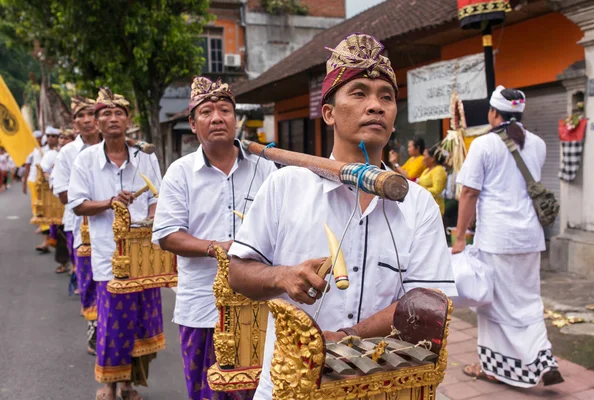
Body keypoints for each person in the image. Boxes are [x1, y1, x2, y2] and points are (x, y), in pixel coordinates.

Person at [227, 33, 457, 400]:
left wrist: (352, 336)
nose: (376, 106)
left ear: (395, 118)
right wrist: (283, 276)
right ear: (329, 112)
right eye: (359, 92)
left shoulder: (418, 204)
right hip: (291, 385)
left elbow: (429, 299)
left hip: (380, 385)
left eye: (386, 96)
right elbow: (237, 273)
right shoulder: (284, 186)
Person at [152, 76, 277, 400]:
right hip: (202, 304)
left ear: (236, 119)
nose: (218, 117)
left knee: (262, 387)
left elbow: (283, 226)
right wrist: (217, 247)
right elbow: (167, 235)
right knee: (205, 389)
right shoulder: (180, 172)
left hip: (260, 302)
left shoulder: (266, 168)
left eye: (225, 110)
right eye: (207, 112)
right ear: (193, 124)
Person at [451, 85, 563, 387]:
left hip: (498, 238)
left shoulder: (485, 144)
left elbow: (469, 192)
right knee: (527, 300)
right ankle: (542, 358)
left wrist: (459, 237)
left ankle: (496, 368)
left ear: (493, 112)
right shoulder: (537, 144)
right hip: (530, 237)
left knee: (495, 305)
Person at [68, 88, 164, 400]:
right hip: (109, 256)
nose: (113, 118)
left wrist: (150, 219)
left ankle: (128, 383)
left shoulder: (144, 157)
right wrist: (110, 203)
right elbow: (78, 205)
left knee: (138, 322)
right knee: (112, 323)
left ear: (128, 120)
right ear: (97, 122)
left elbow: (156, 198)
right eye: (105, 114)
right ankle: (108, 384)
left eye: (118, 112)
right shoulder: (86, 160)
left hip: (143, 254)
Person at [53, 96, 102, 355]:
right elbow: (63, 194)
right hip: (79, 225)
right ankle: (94, 327)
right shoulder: (68, 153)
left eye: (91, 114)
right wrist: (94, 197)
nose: (87, 120)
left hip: (114, 225)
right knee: (89, 278)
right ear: (74, 123)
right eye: (80, 116)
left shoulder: (115, 148)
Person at [40, 126, 71, 273]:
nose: (62, 140)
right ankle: (64, 263)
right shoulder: (54, 155)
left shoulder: (81, 155)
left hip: (80, 202)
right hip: (60, 201)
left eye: (67, 138)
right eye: (61, 137)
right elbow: (46, 175)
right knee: (61, 232)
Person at [23, 130, 51, 252]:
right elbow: (27, 167)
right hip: (34, 181)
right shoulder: (32, 151)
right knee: (37, 206)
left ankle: (47, 235)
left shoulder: (48, 151)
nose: (38, 139)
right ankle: (43, 229)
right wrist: (24, 183)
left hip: (45, 184)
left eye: (40, 137)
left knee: (44, 209)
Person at [418, 146, 447, 216]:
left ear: (432, 158)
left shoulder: (439, 170)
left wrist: (421, 189)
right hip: (424, 205)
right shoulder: (426, 170)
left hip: (434, 206)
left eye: (424, 156)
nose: (422, 158)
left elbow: (437, 190)